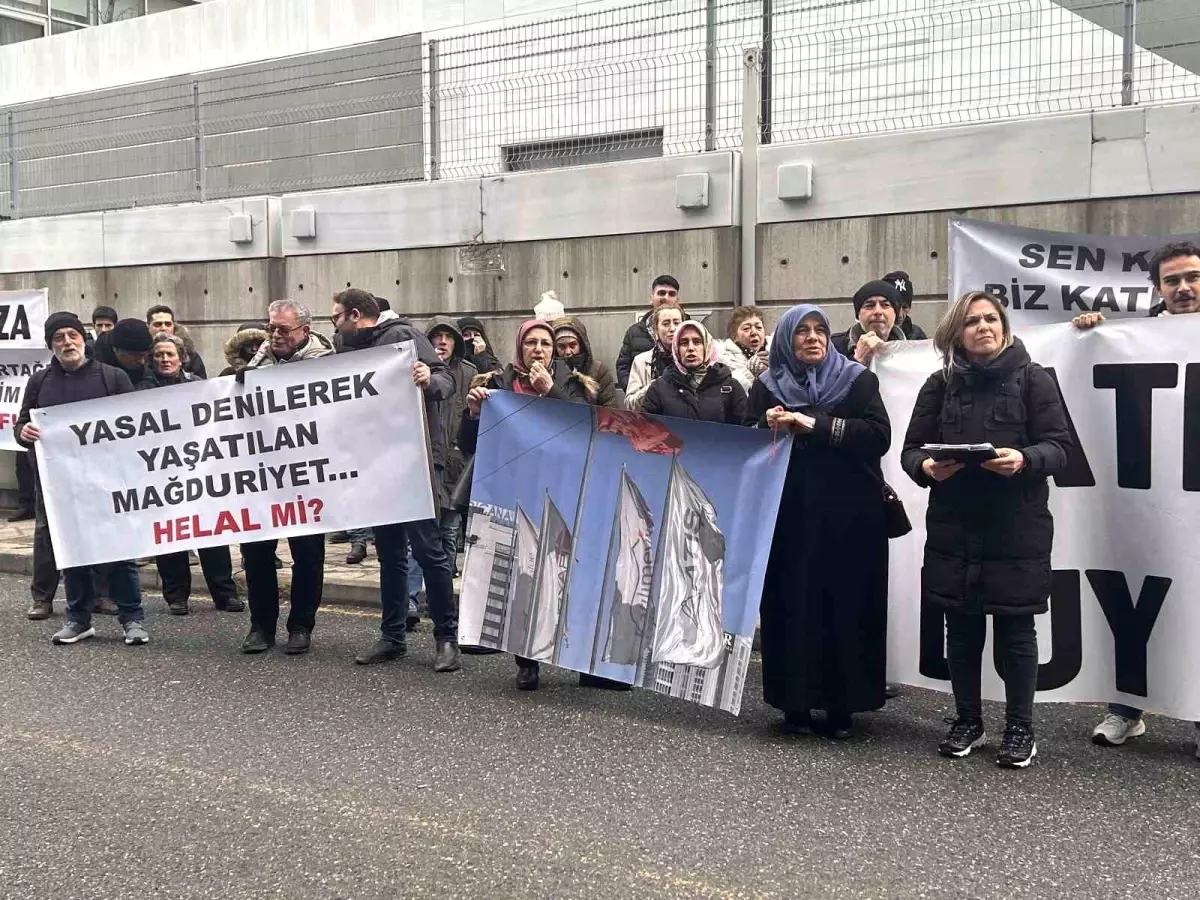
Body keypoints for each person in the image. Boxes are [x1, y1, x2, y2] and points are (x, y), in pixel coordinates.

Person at [902, 291, 1070, 769]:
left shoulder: (1034, 380)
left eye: (991, 319)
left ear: (1005, 326)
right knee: (961, 629)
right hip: (955, 526)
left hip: (1016, 525)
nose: (983, 327)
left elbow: (1060, 448)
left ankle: (1020, 729)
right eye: (972, 321)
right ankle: (967, 720)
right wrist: (927, 467)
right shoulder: (939, 385)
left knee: (1017, 630)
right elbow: (910, 451)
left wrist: (1024, 459)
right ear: (957, 332)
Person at [1074, 240, 1200, 755]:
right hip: (1151, 499)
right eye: (1172, 281)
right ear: (1157, 289)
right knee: (1142, 594)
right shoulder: (1135, 337)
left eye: (1192, 277)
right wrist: (1089, 336)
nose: (1184, 288)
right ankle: (1127, 708)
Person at [750, 304, 891, 739]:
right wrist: (765, 424)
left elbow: (879, 437)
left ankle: (842, 705)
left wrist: (817, 425)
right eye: (802, 332)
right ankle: (795, 704)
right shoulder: (767, 387)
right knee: (792, 606)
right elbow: (747, 448)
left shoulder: (858, 380)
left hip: (851, 518)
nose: (812, 338)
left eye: (820, 330)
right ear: (786, 340)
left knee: (846, 606)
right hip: (789, 519)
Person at [328, 290, 462, 673]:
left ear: (356, 315)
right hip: (377, 464)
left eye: (336, 317)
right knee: (389, 553)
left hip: (414, 460)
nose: (334, 325)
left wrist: (427, 378)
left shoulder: (404, 336)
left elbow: (445, 378)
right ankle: (392, 635)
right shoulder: (350, 348)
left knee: (428, 550)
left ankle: (446, 638)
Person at [461, 320, 598, 691]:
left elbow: (583, 428)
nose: (539, 349)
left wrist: (550, 391)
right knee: (524, 576)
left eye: (546, 343)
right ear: (520, 348)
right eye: (532, 343)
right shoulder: (498, 385)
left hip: (562, 490)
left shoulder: (574, 383)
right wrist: (474, 414)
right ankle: (527, 659)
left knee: (563, 574)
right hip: (515, 491)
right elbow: (469, 443)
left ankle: (576, 654)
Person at [16, 312, 148, 646]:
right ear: (50, 346)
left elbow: (135, 425)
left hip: (108, 482)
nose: (66, 342)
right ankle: (78, 619)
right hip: (61, 485)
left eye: (72, 335)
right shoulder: (40, 382)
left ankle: (132, 618)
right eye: (58, 337)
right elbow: (20, 426)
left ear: (83, 339)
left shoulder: (113, 377)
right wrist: (24, 432)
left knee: (118, 550)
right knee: (71, 551)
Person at [239, 300, 335, 655]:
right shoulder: (252, 366)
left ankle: (301, 626)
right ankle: (260, 627)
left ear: (305, 332)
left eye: (284, 329)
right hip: (261, 476)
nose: (276, 335)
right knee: (257, 552)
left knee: (308, 555)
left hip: (307, 475)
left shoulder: (327, 366)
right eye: (272, 328)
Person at [136, 334, 243, 616]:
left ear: (182, 357)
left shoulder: (199, 385)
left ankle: (224, 594)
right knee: (170, 537)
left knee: (212, 534)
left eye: (170, 354)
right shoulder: (141, 389)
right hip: (162, 474)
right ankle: (176, 596)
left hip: (200, 471)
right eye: (158, 355)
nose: (164, 359)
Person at [404, 316, 480, 638]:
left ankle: (442, 602)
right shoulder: (412, 370)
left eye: (449, 337)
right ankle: (408, 601)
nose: (442, 341)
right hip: (426, 460)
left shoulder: (471, 375)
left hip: (456, 463)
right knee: (420, 538)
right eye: (436, 336)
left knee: (448, 534)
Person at [642, 321, 747, 425]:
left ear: (707, 346)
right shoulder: (659, 389)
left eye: (697, 342)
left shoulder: (730, 387)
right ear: (676, 349)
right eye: (684, 343)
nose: (691, 348)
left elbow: (745, 432)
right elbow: (647, 432)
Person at [616, 275, 680, 389]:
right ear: (651, 298)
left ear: (677, 300)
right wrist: (637, 394)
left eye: (671, 294)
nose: (666, 297)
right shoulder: (634, 332)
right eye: (661, 293)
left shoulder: (692, 329)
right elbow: (623, 368)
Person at [623, 302, 684, 411]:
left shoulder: (693, 358)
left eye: (677, 323)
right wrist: (655, 387)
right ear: (656, 329)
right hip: (652, 424)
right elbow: (630, 404)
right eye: (665, 324)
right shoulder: (641, 361)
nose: (672, 328)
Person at [552, 316, 622, 408]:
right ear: (555, 348)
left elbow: (610, 410)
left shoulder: (598, 370)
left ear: (581, 345)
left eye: (573, 345)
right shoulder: (550, 371)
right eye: (562, 347)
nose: (568, 352)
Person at [833, 280, 907, 364]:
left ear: (895, 314)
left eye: (885, 305)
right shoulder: (834, 348)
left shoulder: (911, 350)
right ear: (858, 315)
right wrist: (857, 360)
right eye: (869, 306)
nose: (878, 311)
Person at [715, 306, 770, 391]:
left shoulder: (776, 354)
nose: (754, 332)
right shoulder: (723, 361)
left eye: (758, 327)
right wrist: (749, 373)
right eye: (746, 329)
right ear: (735, 337)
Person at [146, 304, 207, 378]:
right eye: (158, 324)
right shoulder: (141, 352)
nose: (163, 328)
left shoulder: (190, 354)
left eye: (168, 324)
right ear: (148, 326)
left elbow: (202, 385)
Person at [93, 318, 152, 384]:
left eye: (145, 355)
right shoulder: (94, 373)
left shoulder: (147, 371)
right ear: (115, 349)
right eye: (136, 355)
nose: (142, 362)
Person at [883, 271, 927, 340]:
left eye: (905, 307)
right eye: (895, 306)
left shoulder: (917, 334)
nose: (900, 315)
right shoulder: (868, 333)